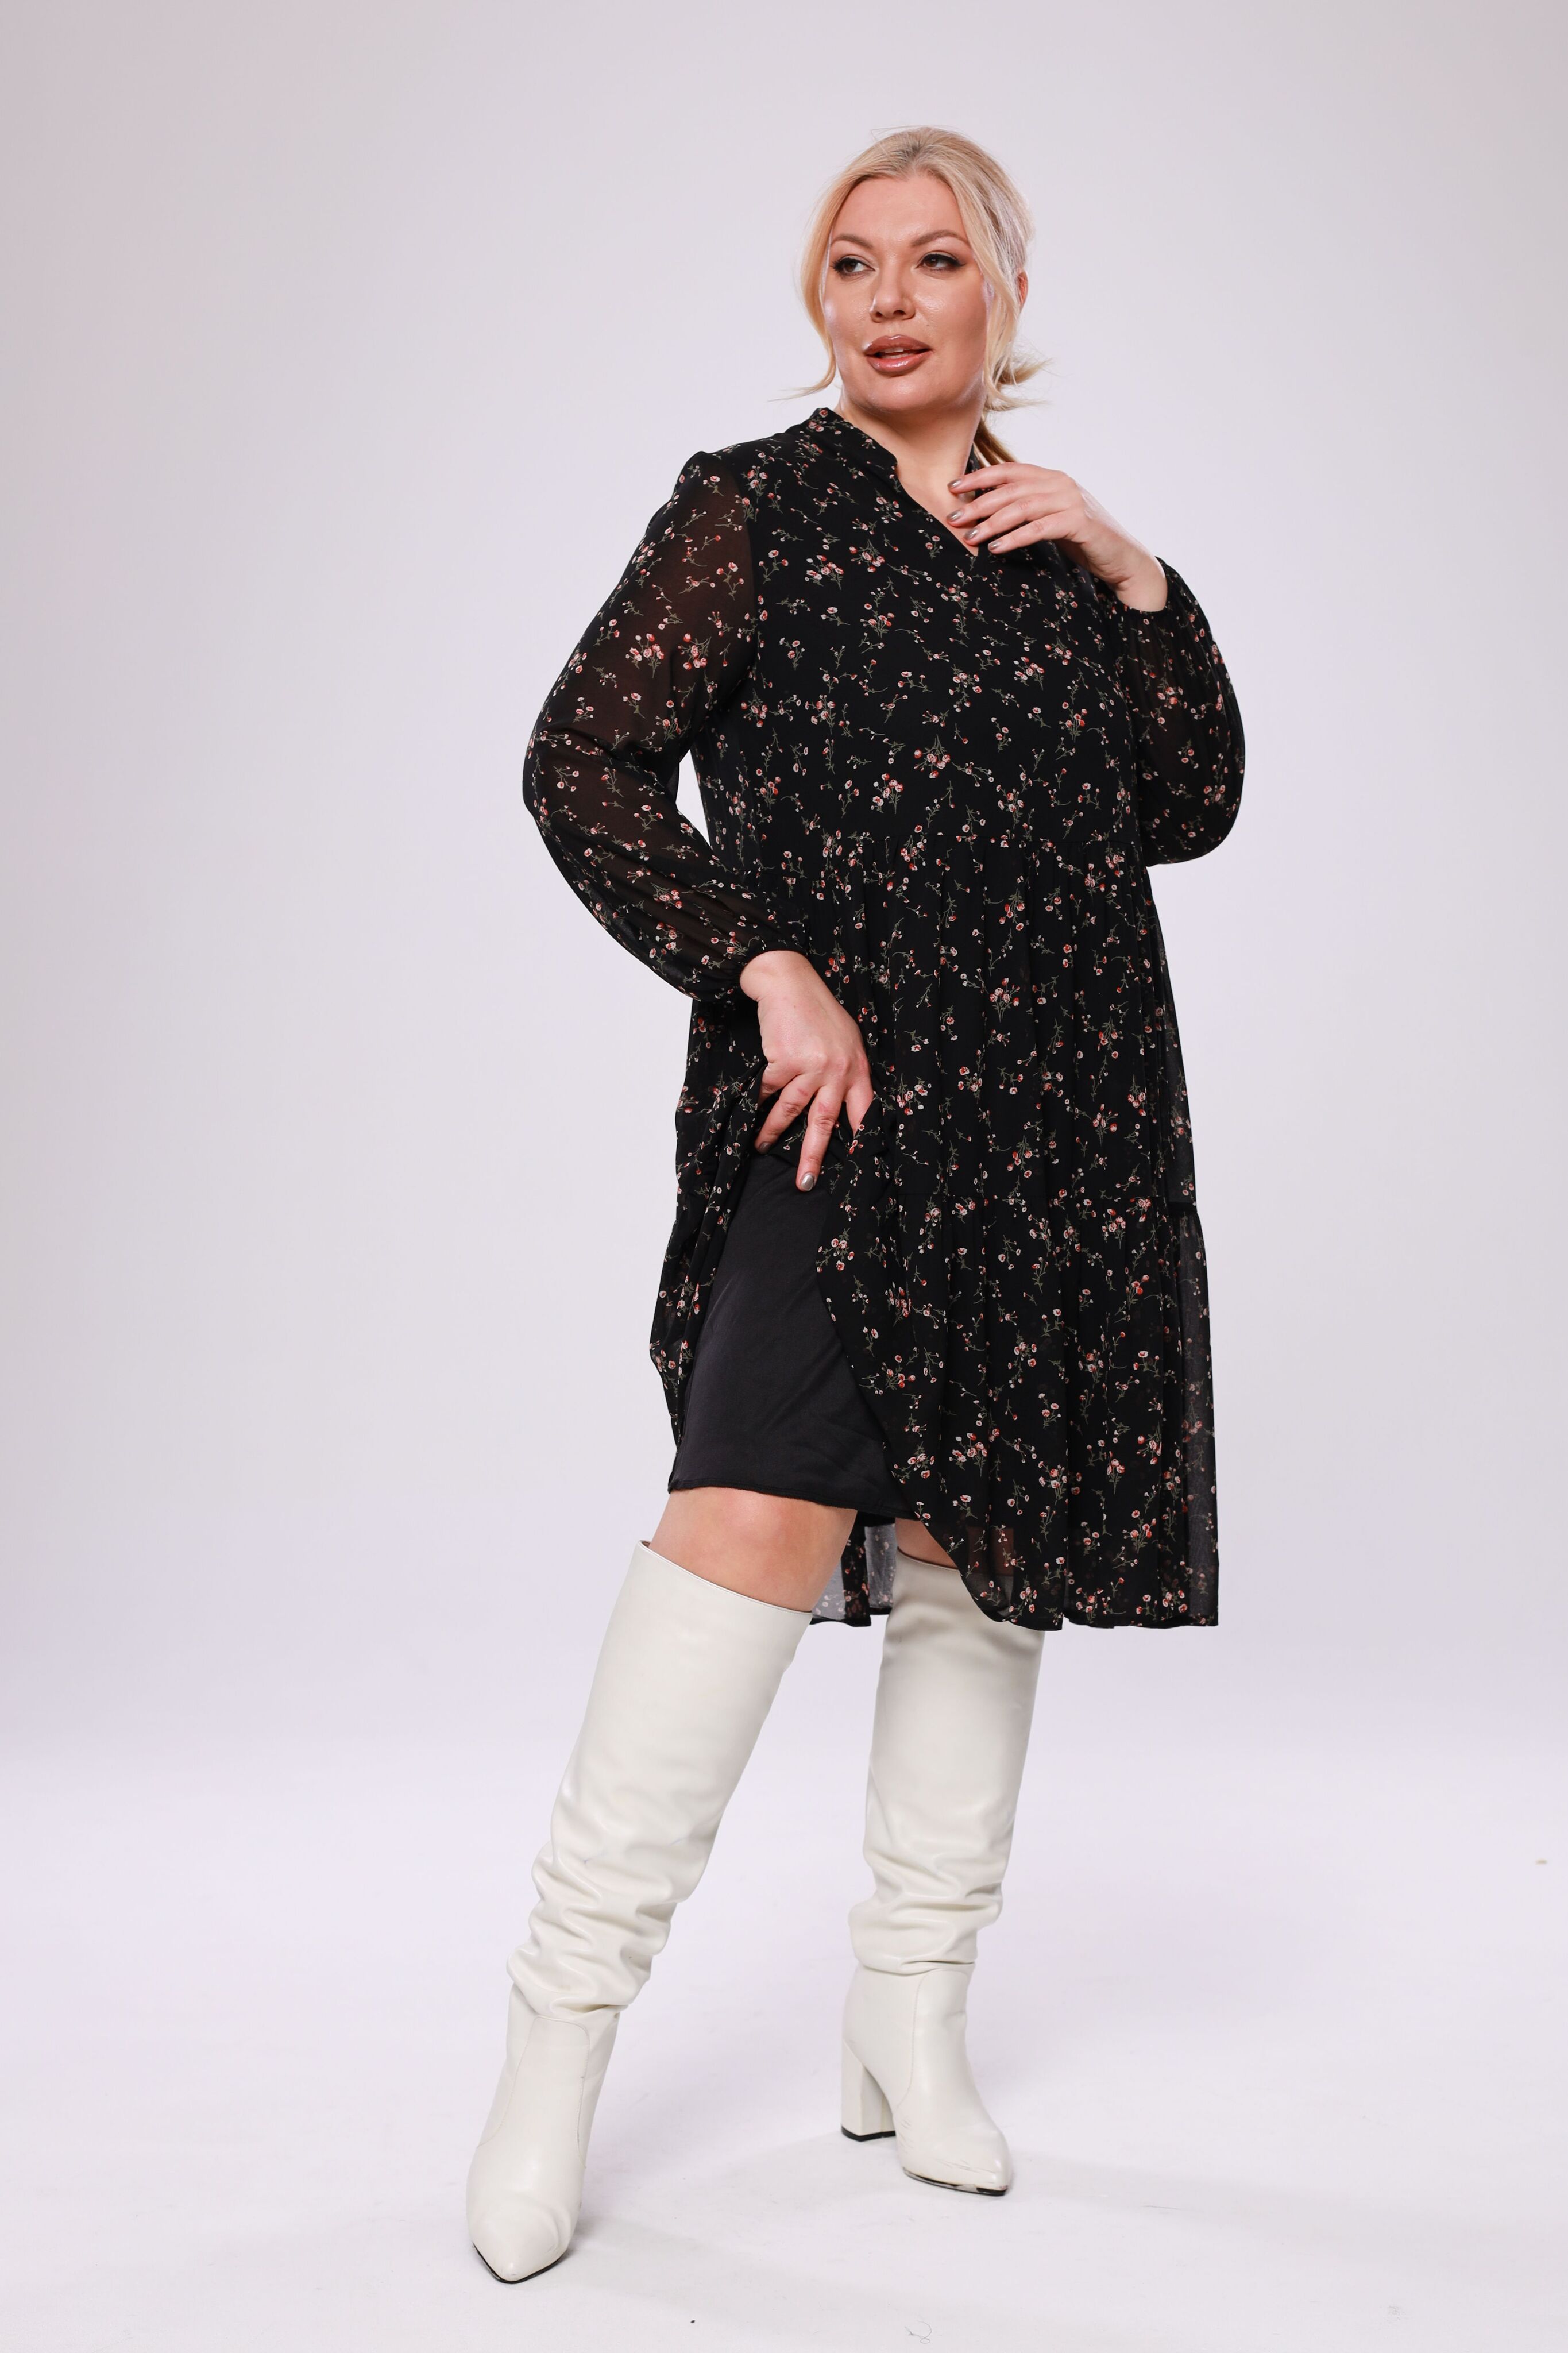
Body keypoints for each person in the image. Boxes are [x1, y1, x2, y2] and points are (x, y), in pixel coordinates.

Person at [466, 124, 1244, 2282]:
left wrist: (1126, 567)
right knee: (744, 1518)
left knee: (981, 1553)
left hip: (1061, 1112)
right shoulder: (750, 508)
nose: (889, 301)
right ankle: (554, 2052)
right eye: (849, 265)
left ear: (1005, 296)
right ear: (816, 299)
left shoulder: (1051, 547)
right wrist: (758, 957)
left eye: (933, 263)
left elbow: (1188, 803)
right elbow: (578, 764)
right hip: (841, 1108)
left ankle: (911, 2010)